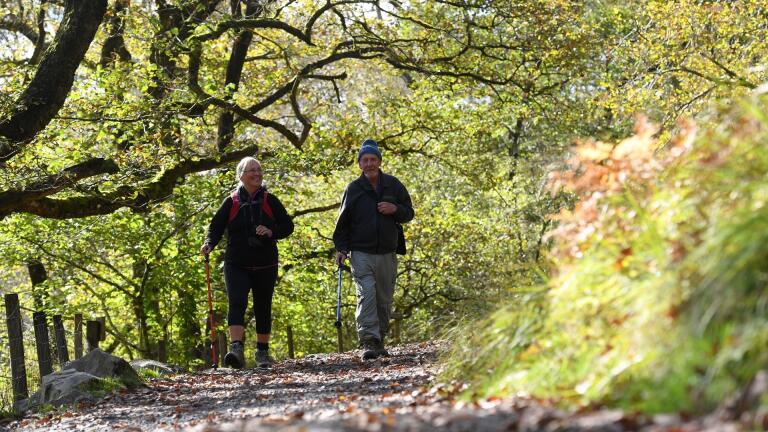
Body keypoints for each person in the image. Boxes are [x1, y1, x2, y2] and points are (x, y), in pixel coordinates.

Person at [201, 157, 294, 368]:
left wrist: (271, 231)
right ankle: (236, 350)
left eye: (259, 171)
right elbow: (215, 227)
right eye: (252, 171)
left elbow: (288, 226)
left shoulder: (270, 200)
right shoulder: (231, 201)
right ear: (241, 175)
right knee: (237, 302)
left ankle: (262, 353)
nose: (257, 174)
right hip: (236, 264)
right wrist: (209, 244)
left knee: (263, 305)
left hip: (266, 263)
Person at [333, 138, 414, 360]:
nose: (369, 164)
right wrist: (341, 249)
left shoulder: (393, 185)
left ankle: (379, 338)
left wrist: (394, 208)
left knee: (383, 298)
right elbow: (342, 222)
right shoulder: (354, 189)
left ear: (379, 161)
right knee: (366, 293)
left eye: (373, 159)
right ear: (359, 164)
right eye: (365, 160)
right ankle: (368, 339)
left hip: (387, 251)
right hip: (360, 252)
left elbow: (409, 213)